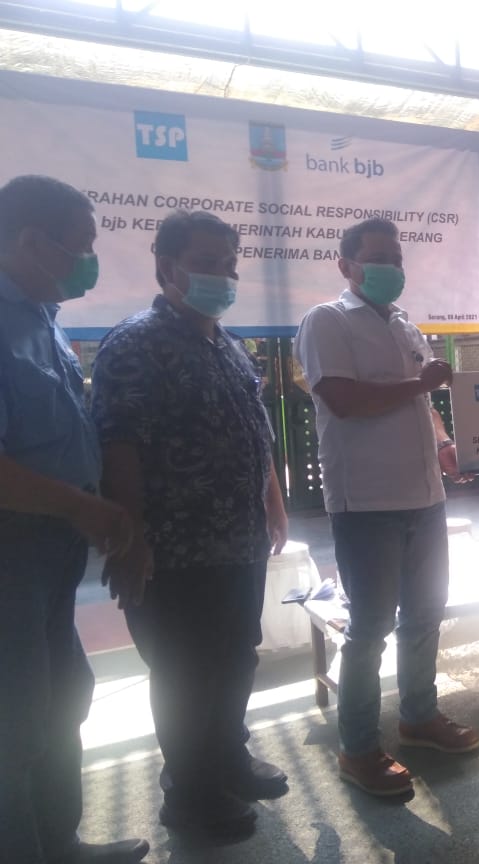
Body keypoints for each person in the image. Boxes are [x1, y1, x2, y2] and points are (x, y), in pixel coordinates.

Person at [91, 210, 289, 843]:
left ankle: (228, 758)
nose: (222, 276)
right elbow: (120, 445)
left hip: (239, 541)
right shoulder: (134, 344)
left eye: (229, 264)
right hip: (173, 551)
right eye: (206, 263)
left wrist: (273, 504)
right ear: (166, 267)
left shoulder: (227, 344)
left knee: (235, 657)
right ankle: (190, 794)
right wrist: (132, 537)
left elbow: (255, 433)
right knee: (184, 673)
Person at [294, 217, 479, 799]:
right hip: (366, 502)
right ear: (346, 265)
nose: (390, 268)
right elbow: (343, 400)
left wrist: (445, 445)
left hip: (425, 496)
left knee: (424, 615)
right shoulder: (326, 321)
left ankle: (418, 717)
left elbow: (422, 404)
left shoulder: (404, 323)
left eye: (396, 258)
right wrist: (421, 385)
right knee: (371, 627)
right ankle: (357, 749)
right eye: (377, 258)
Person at [0, 174, 148, 864]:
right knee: (16, 721)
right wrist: (83, 505)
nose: (90, 260)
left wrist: (86, 508)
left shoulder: (41, 318)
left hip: (51, 547)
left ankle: (58, 844)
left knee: (62, 700)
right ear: (33, 241)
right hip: (11, 552)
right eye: (81, 245)